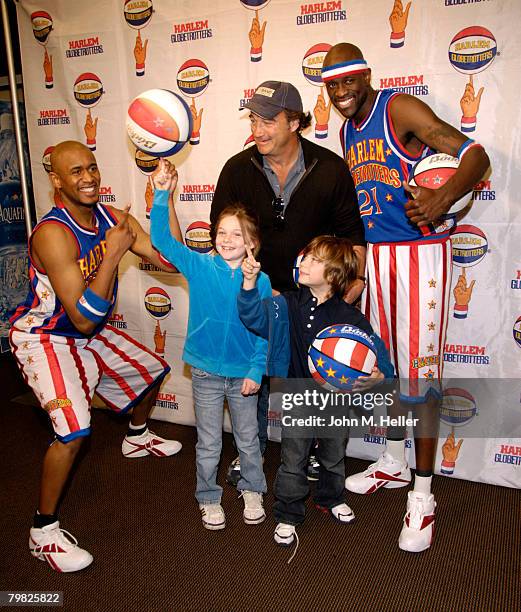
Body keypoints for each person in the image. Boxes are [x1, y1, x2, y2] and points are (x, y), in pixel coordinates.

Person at [321, 43, 490, 552]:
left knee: (418, 376)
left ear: (367, 75)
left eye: (349, 81)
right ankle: (394, 461)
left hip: (421, 257)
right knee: (388, 367)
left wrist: (444, 197)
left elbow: (474, 155)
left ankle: (423, 495)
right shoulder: (347, 126)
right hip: (377, 259)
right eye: (332, 85)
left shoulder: (398, 108)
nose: (342, 92)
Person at [9, 141, 183, 573]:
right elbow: (83, 319)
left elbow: (172, 260)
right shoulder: (53, 233)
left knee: (151, 369)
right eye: (75, 172)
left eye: (92, 167)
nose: (87, 178)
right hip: (47, 338)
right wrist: (112, 251)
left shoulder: (113, 219)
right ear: (56, 180)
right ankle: (42, 532)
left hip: (88, 330)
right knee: (73, 430)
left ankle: (137, 436)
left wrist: (164, 197)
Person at [210, 80, 367, 484]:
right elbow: (222, 235)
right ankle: (252, 452)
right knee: (254, 383)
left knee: (317, 382)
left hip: (315, 298)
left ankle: (318, 453)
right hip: (261, 294)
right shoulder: (236, 169)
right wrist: (257, 288)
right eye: (253, 119)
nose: (257, 129)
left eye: (268, 120)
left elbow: (352, 239)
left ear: (295, 121)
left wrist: (351, 289)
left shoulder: (330, 168)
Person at [237, 235, 394, 550]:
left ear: (334, 275)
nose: (303, 263)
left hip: (337, 400)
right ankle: (288, 512)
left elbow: (378, 355)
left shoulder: (351, 318)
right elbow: (252, 317)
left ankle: (330, 497)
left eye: (314, 260)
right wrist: (249, 281)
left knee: (333, 456)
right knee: (293, 459)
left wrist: (379, 375)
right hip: (298, 396)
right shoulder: (289, 304)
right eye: (305, 257)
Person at [150, 159, 270, 531]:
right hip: (204, 372)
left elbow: (265, 332)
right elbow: (162, 242)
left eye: (237, 235)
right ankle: (208, 497)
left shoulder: (261, 281)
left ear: (251, 243)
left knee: (249, 441)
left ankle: (253, 489)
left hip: (243, 376)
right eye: (221, 232)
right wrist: (161, 194)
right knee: (208, 443)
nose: (227, 239)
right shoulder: (201, 265)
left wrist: (255, 370)